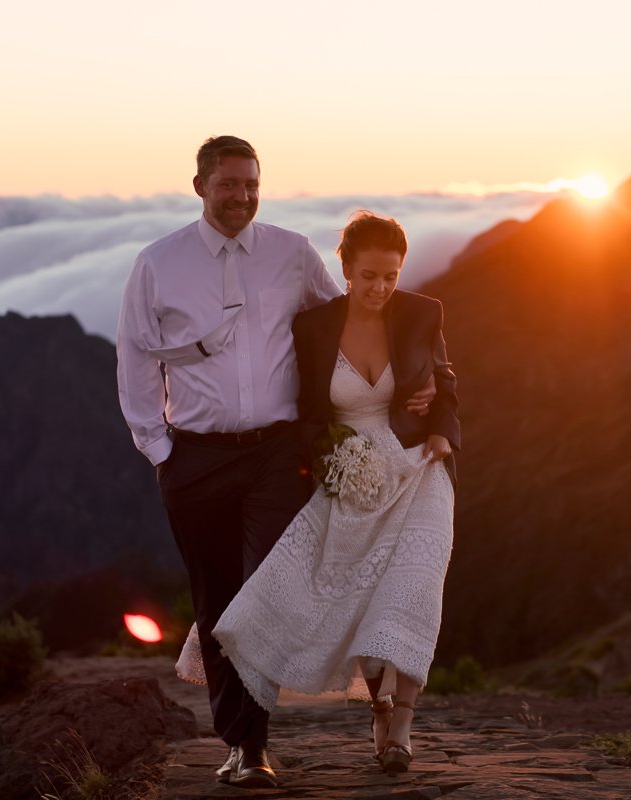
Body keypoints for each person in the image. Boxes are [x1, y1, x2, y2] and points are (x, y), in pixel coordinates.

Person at [116, 138, 434, 788]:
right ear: (200, 185)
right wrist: (159, 449)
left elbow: (349, 317)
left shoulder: (292, 252)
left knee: (264, 594)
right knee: (216, 602)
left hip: (276, 452)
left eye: (251, 184)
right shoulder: (158, 264)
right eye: (229, 184)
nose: (242, 196)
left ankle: (255, 745)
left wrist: (429, 373)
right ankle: (240, 746)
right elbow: (136, 358)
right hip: (195, 458)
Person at [210, 210, 460, 776]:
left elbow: (445, 384)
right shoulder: (314, 327)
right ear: (345, 268)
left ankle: (402, 722)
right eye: (369, 275)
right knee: (363, 601)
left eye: (391, 275)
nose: (380, 288)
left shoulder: (423, 314)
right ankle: (378, 705)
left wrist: (443, 432)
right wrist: (329, 455)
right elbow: (303, 411)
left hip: (420, 468)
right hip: (348, 475)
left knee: (414, 589)